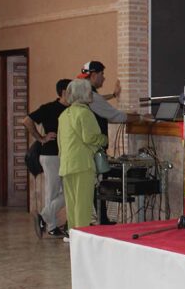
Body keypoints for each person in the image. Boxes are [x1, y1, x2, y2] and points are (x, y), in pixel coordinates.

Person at [78, 61, 149, 224]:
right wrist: (141, 117)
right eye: (102, 74)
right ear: (94, 75)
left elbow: (101, 104)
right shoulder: (92, 97)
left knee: (89, 187)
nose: (104, 78)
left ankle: (100, 219)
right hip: (93, 149)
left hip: (82, 152)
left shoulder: (83, 98)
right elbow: (115, 115)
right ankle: (95, 222)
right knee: (93, 186)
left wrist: (113, 96)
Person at [58, 79, 107, 236]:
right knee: (83, 206)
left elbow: (60, 142)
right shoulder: (85, 113)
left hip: (66, 165)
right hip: (82, 164)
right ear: (82, 93)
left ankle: (73, 237)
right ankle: (82, 239)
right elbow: (90, 137)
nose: (91, 93)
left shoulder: (64, 115)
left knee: (72, 206)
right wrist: (104, 139)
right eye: (89, 91)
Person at [23, 79, 71, 237]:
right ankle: (51, 227)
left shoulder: (73, 109)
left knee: (69, 191)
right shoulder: (49, 108)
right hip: (51, 155)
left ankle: (44, 217)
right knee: (52, 191)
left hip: (66, 155)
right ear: (64, 92)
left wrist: (112, 95)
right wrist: (41, 137)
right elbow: (27, 120)